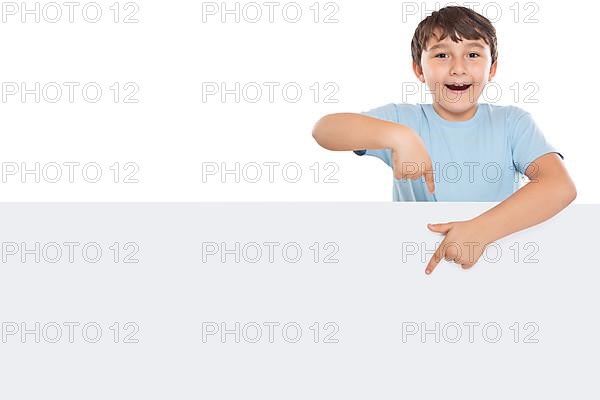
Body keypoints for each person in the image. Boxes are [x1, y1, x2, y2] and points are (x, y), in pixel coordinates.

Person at [311, 6, 576, 274]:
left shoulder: (512, 123)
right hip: (417, 264)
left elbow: (560, 186)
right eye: (441, 55)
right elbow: (324, 130)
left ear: (492, 69)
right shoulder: (403, 120)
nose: (458, 68)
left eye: (472, 55)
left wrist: (480, 230)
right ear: (419, 70)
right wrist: (397, 136)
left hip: (496, 263)